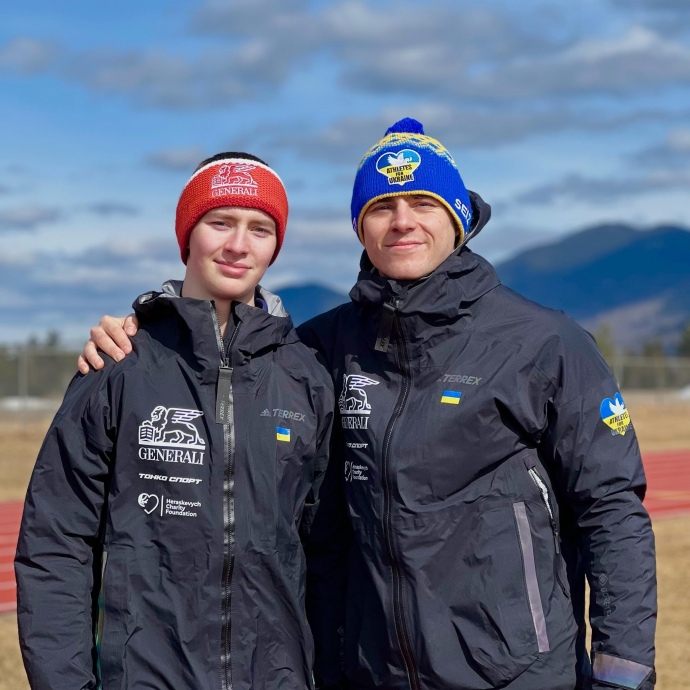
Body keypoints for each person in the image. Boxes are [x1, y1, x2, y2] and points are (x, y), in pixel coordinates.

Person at [78, 119, 657, 690]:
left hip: (518, 675)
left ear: (458, 218)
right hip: (372, 673)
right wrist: (146, 335)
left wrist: (622, 673)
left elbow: (611, 510)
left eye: (424, 203)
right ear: (360, 227)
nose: (403, 221)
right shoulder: (319, 348)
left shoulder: (545, 341)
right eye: (382, 207)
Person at [15, 152, 337, 690]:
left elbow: (328, 555)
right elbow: (56, 542)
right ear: (187, 234)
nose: (239, 245)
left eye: (259, 229)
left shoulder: (306, 377)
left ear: (275, 245)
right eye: (220, 223)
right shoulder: (119, 365)